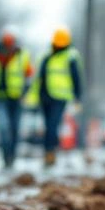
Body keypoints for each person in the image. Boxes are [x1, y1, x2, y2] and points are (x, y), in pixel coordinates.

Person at [0, 27, 33, 169]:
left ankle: (12, 156)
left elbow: (29, 75)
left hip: (16, 98)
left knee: (15, 128)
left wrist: (26, 91)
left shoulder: (22, 56)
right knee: (3, 127)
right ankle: (5, 156)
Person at [37, 27, 83, 167]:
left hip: (60, 97)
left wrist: (77, 97)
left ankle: (50, 151)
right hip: (45, 96)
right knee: (48, 126)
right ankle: (48, 151)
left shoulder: (71, 57)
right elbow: (39, 78)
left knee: (52, 125)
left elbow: (76, 78)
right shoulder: (46, 56)